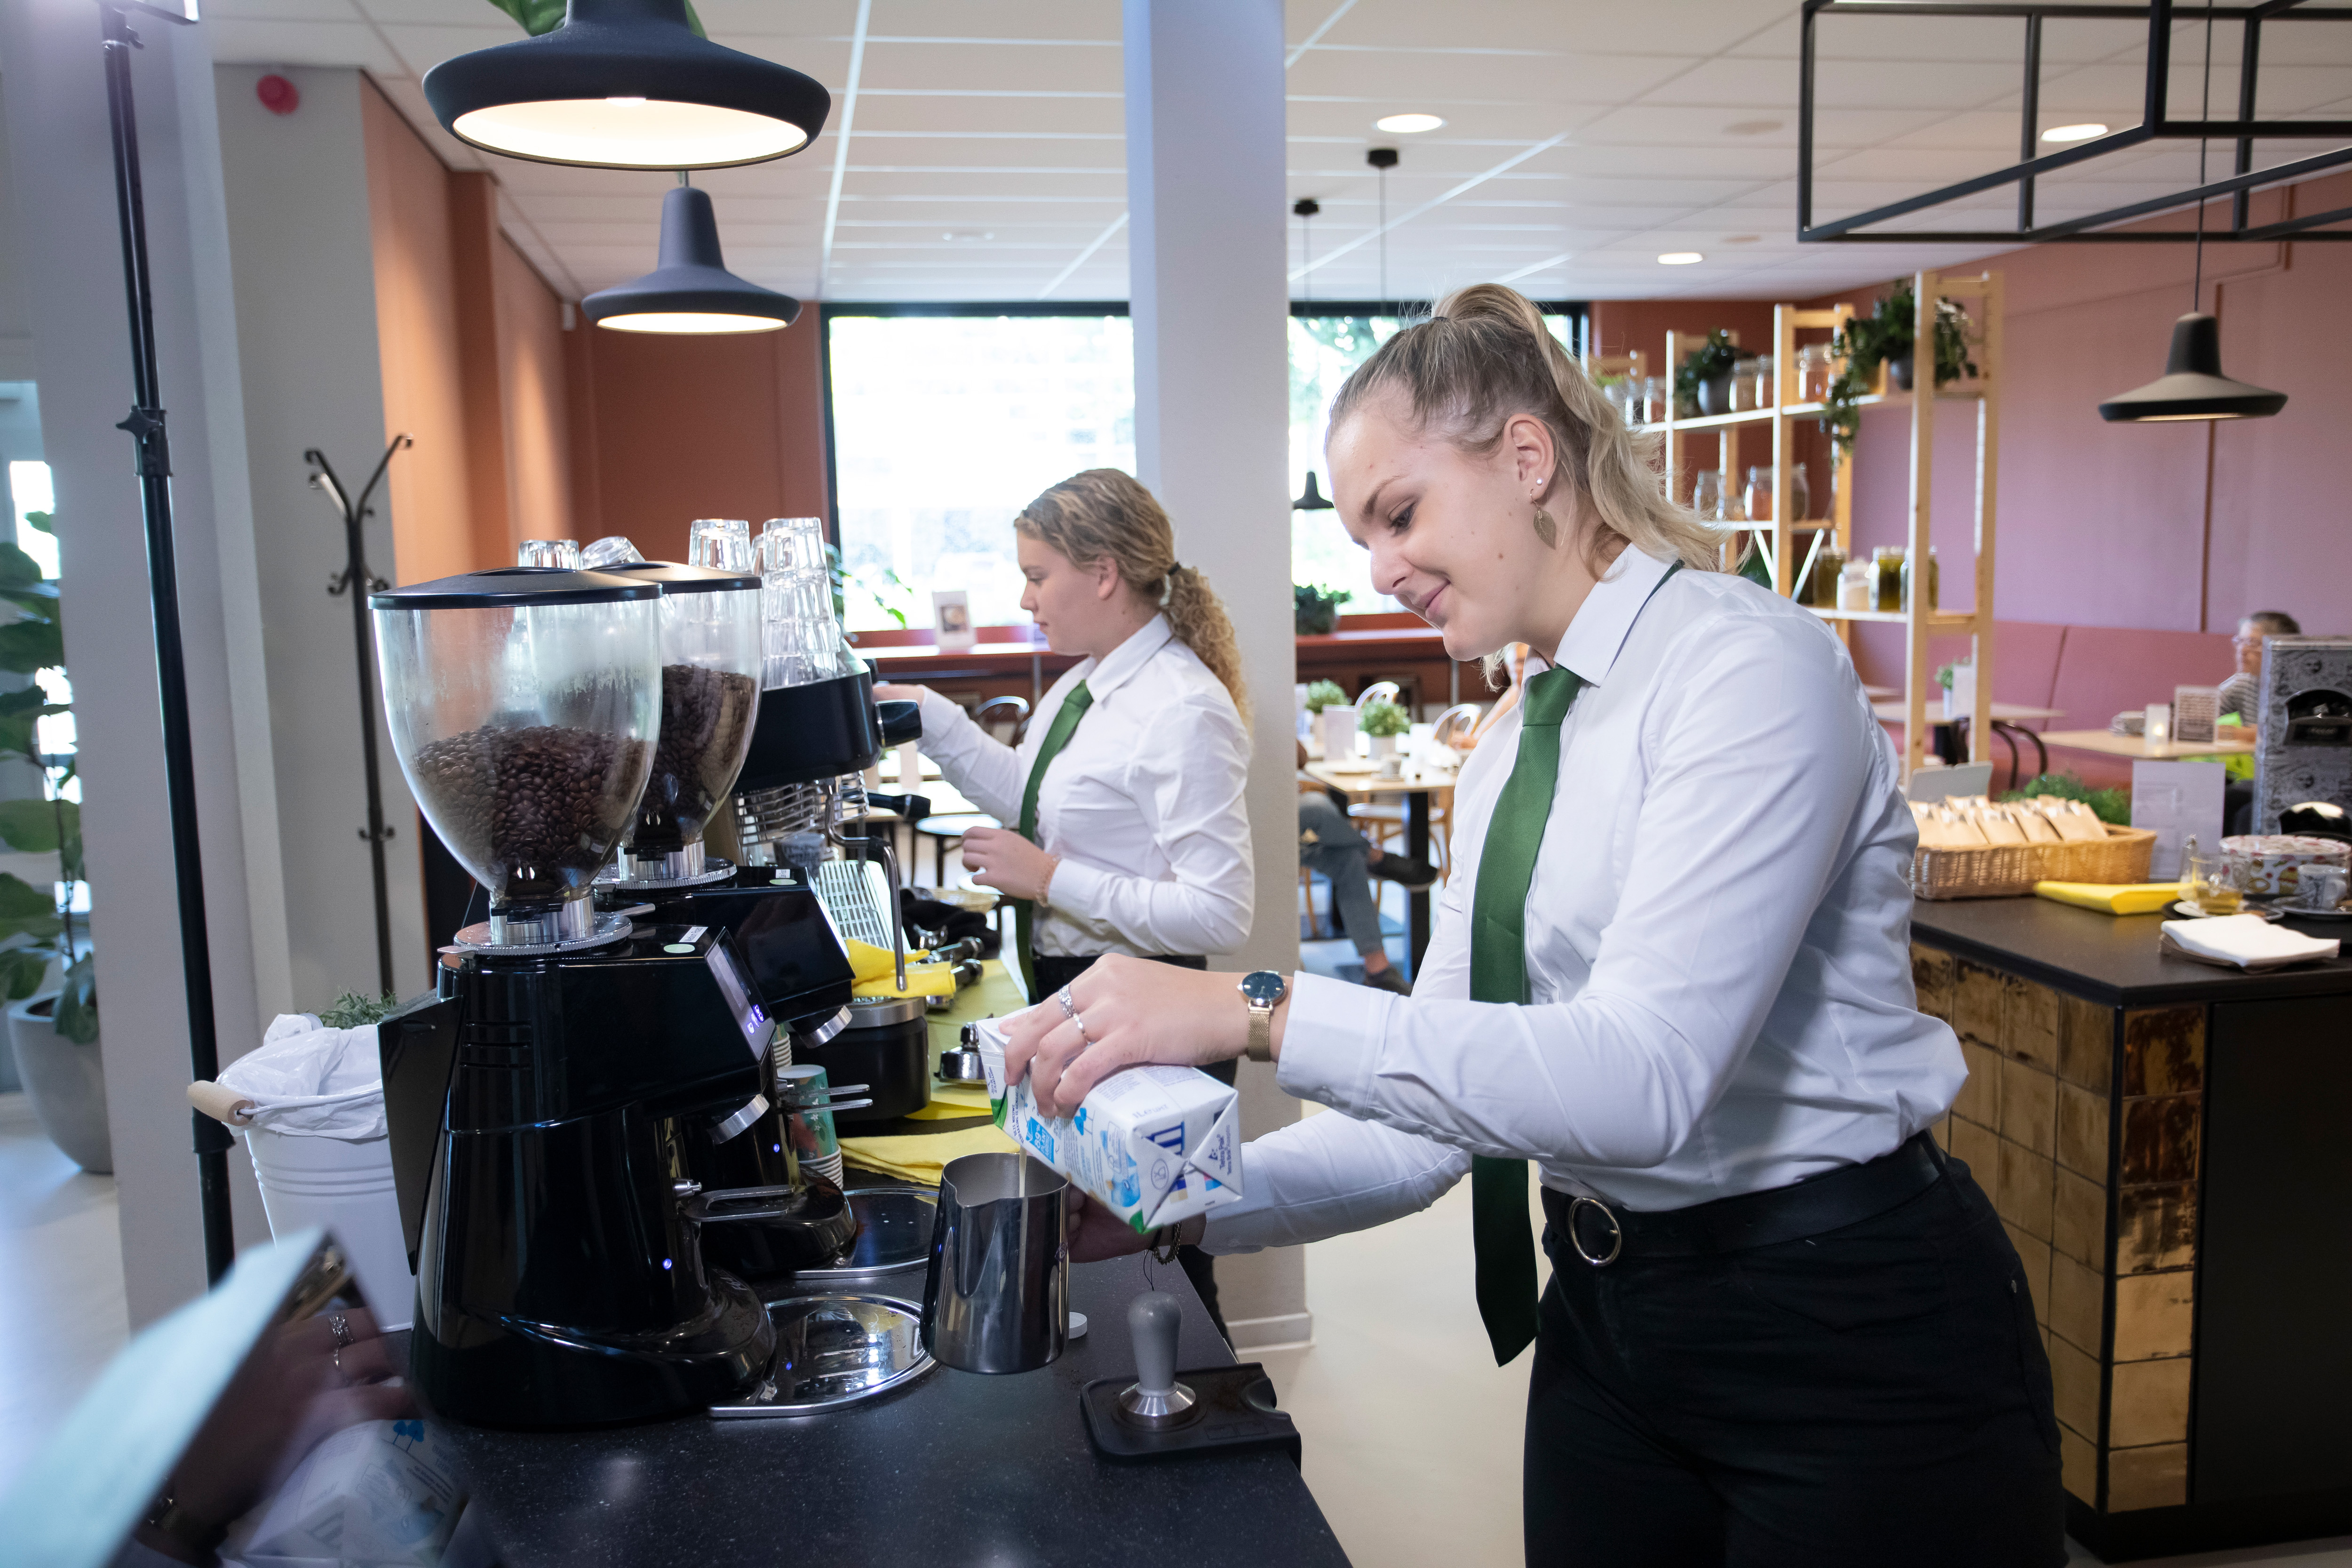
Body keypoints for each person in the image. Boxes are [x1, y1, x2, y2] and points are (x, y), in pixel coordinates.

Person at [1001, 284, 2063, 1566]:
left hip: (1843, 1326)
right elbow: (1429, 1127)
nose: (1381, 565)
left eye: (1400, 512)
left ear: (1526, 455)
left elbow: (1647, 1077)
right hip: (1612, 1316)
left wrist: (1253, 1005)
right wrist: (1175, 1205)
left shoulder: (1748, 671)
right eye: (1362, 533)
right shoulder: (1510, 747)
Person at [874, 466, 1253, 1337]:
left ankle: (1217, 1434)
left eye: (1038, 573)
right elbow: (1028, 797)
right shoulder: (1085, 685)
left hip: (1150, 1006)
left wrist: (1049, 879)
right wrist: (930, 715)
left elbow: (1219, 912)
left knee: (1163, 1242)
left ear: (1105, 571)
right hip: (1079, 993)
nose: (1025, 594)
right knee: (1106, 1239)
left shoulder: (1182, 707)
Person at [1295, 740, 1437, 996]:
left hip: (1285, 823)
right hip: (1257, 822)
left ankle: (1377, 969)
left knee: (1348, 859)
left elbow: (1300, 758)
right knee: (1316, 805)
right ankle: (1374, 855)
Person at [2221, 609, 2299, 723]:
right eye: (2240, 641)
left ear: (2283, 650)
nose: (2242, 650)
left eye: (2252, 642)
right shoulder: (2241, 685)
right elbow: (2199, 722)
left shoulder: (2302, 689)